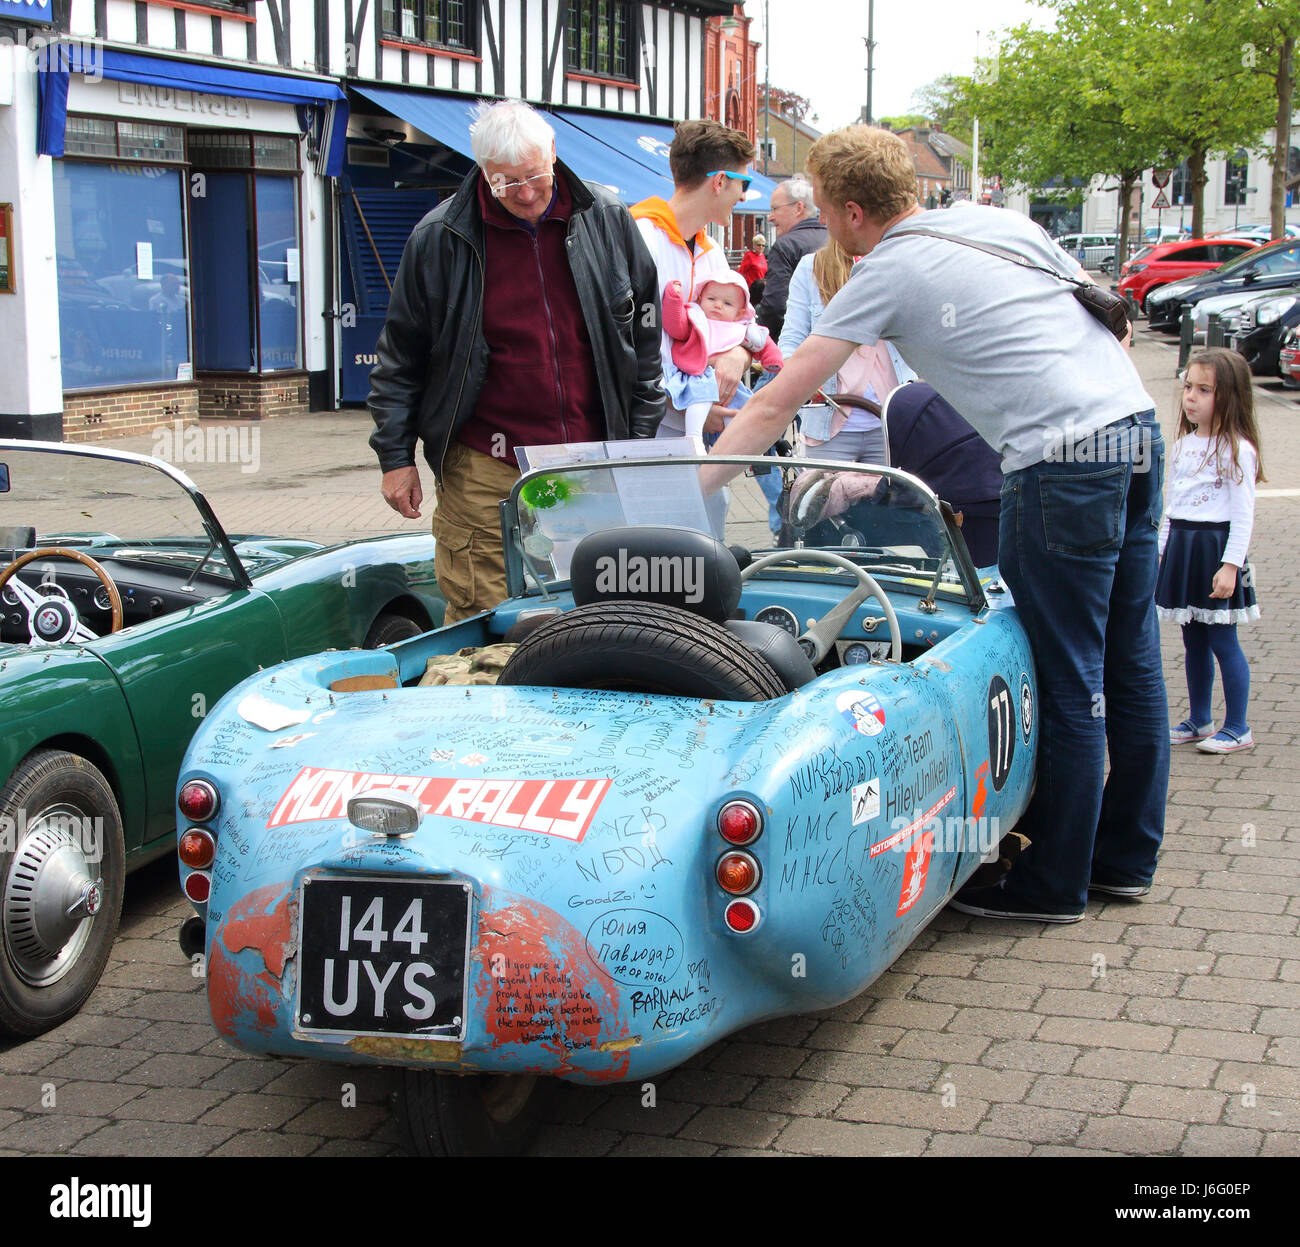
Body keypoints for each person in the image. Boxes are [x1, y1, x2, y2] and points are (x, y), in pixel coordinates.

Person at [709, 124, 1167, 923]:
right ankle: (1124, 858)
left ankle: (1053, 882)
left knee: (1068, 677)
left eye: (824, 212)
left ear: (854, 213)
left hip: (1059, 460)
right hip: (1134, 431)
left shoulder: (889, 270)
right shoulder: (1001, 224)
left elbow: (778, 398)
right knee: (1129, 662)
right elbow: (1113, 323)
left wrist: (691, 487)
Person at [368, 99, 664, 623]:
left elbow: (643, 336)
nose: (525, 194)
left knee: (600, 609)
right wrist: (396, 458)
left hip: (592, 455)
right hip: (487, 463)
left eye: (535, 177)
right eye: (506, 183)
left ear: (553, 152)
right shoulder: (440, 239)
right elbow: (400, 357)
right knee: (489, 617)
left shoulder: (608, 217)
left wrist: (637, 443)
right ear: (481, 170)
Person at [1157, 348, 1263, 754]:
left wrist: (1231, 565)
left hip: (1215, 552)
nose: (1191, 397)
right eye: (1188, 387)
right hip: (1183, 550)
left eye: (1204, 389)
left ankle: (1238, 726)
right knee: (1193, 640)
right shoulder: (1184, 445)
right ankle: (1200, 718)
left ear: (1229, 396)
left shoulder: (1238, 449)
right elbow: (1173, 504)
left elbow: (1244, 515)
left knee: (1223, 640)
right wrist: (1163, 552)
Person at [631, 119, 758, 440]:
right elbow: (627, 348)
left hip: (695, 429)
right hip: (646, 433)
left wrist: (739, 355)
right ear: (719, 182)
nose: (743, 197)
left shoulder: (711, 250)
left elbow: (739, 325)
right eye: (742, 183)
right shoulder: (639, 237)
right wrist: (688, 409)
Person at [780, 241, 915, 464]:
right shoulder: (812, 266)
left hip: (890, 423)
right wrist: (800, 381)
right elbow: (792, 338)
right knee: (824, 498)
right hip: (826, 423)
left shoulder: (898, 261)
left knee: (894, 498)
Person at [660, 271, 782, 439]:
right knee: (698, 402)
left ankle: (734, 449)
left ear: (740, 312)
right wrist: (674, 299)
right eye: (711, 299)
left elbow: (764, 343)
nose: (718, 305)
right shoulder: (696, 319)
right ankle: (693, 437)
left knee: (742, 411)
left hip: (729, 386)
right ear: (700, 299)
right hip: (697, 376)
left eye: (727, 303)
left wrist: (773, 360)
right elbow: (675, 327)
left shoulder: (741, 328)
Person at [756, 177, 827, 340]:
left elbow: (775, 306)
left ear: (798, 208)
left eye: (775, 209)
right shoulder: (836, 241)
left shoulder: (785, 246)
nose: (770, 217)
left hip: (795, 346)